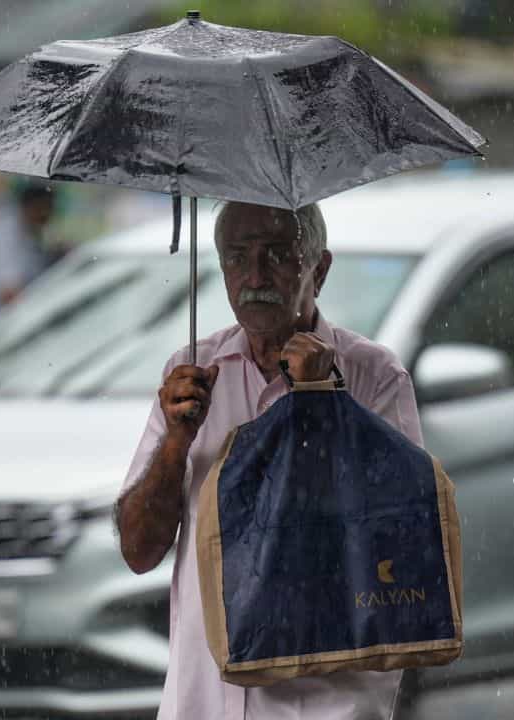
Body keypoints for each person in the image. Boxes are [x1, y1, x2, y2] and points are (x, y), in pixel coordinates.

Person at [116, 201, 423, 720]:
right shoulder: (190, 377)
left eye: (278, 255)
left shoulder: (372, 375)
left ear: (318, 270)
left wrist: (325, 405)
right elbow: (140, 550)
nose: (254, 276)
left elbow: (400, 544)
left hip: (325, 704)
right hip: (202, 703)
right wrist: (175, 442)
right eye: (237, 257)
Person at [0, 181, 55, 314]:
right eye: (45, 208)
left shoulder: (31, 233)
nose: (48, 216)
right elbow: (8, 291)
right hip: (10, 321)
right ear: (32, 205)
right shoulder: (7, 232)